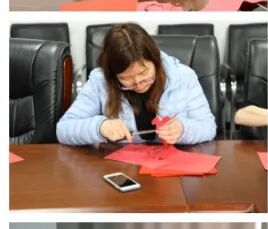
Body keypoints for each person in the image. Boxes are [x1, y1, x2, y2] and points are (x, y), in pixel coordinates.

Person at [56, 23, 216, 146]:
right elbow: (64, 129)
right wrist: (100, 127)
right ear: (113, 74)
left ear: (155, 60)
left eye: (144, 73)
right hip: (122, 166)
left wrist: (183, 129)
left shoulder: (183, 76)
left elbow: (208, 127)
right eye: (126, 78)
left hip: (172, 166)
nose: (138, 83)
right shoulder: (100, 81)